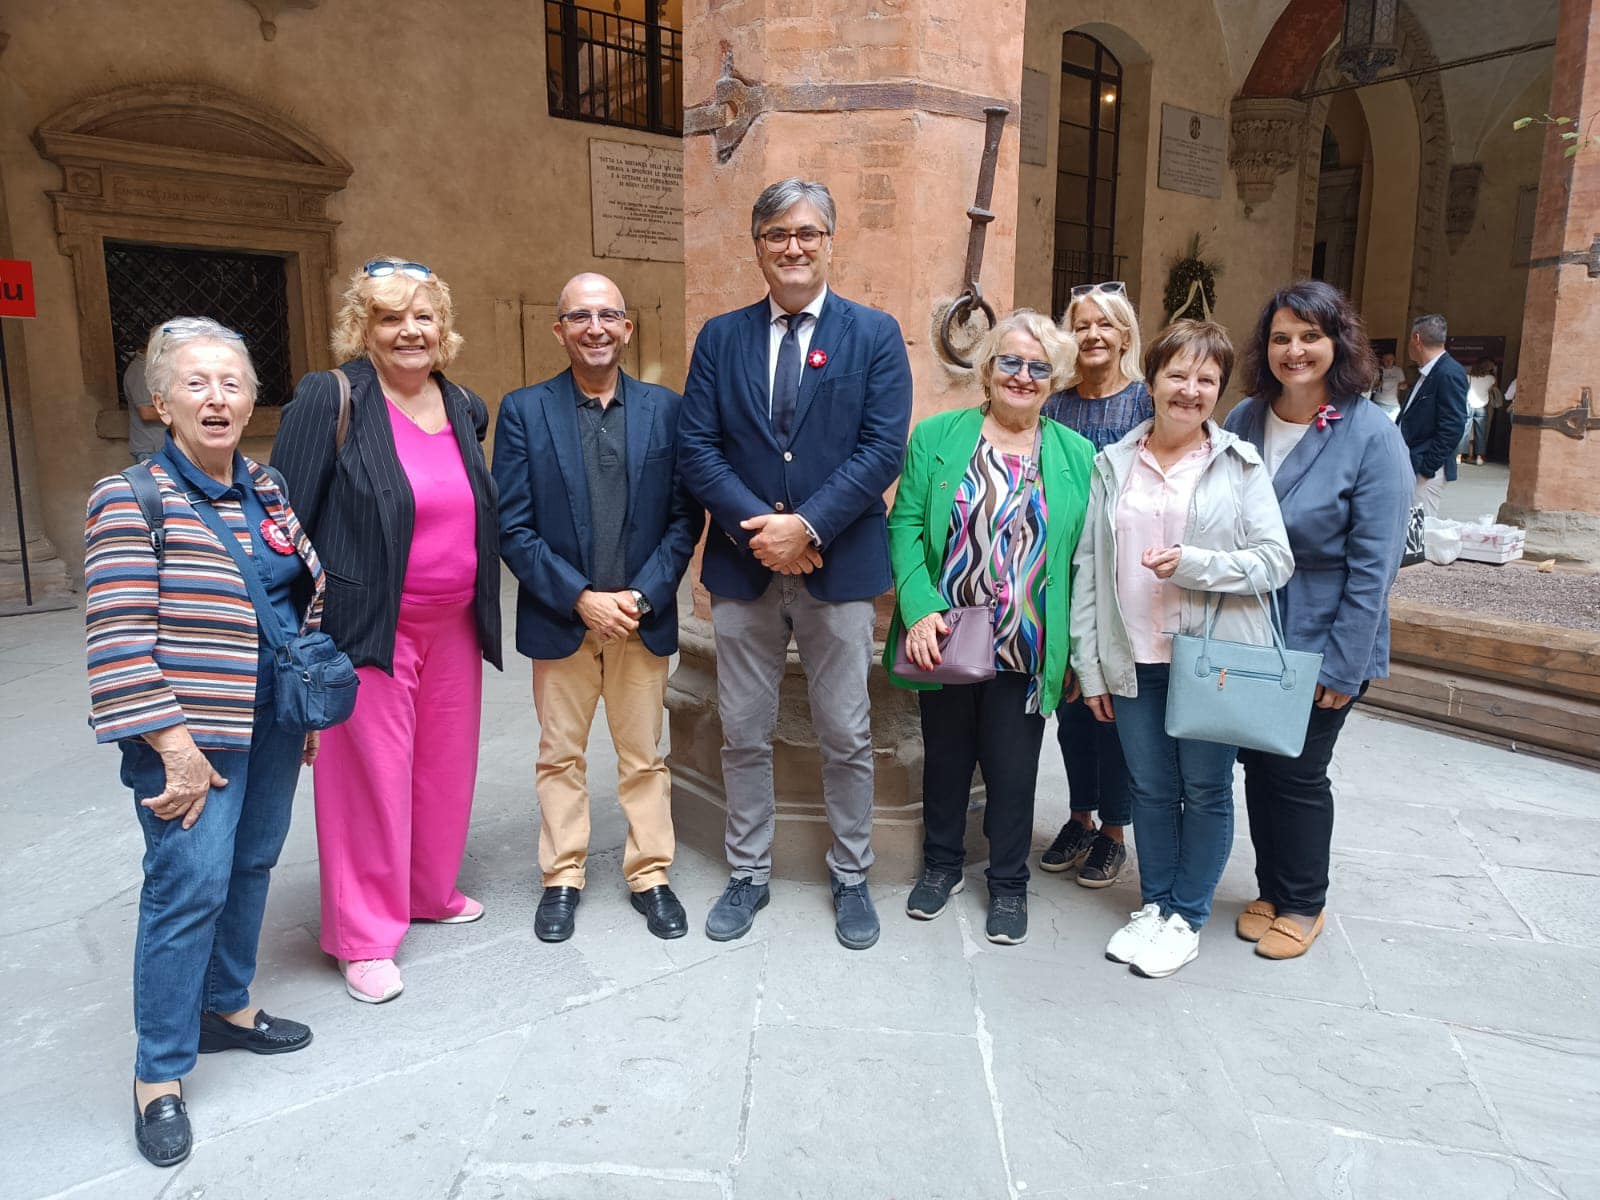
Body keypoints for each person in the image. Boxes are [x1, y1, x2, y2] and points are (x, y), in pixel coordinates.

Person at [85, 318, 324, 1167]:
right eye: (196, 384)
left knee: (254, 862)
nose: (217, 397)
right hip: (188, 735)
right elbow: (116, 640)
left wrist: (300, 698)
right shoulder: (131, 497)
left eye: (232, 383)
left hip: (271, 720)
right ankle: (158, 1075)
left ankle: (225, 1006)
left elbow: (294, 595)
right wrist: (175, 747)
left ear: (254, 400)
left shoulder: (268, 485)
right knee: (186, 887)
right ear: (161, 403)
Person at [678, 177, 913, 950]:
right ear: (758, 244)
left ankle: (851, 876)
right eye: (778, 232)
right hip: (745, 573)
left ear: (830, 241)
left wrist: (808, 525)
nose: (793, 246)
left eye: (808, 232)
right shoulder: (720, 337)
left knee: (846, 731)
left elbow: (882, 447)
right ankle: (748, 872)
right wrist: (763, 534)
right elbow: (697, 449)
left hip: (837, 568)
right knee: (743, 730)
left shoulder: (873, 334)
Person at [272, 257, 502, 1003]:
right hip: (367, 625)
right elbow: (287, 524)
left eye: (423, 316)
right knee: (368, 782)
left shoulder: (465, 405)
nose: (410, 331)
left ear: (444, 327)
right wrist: (291, 641)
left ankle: (428, 891)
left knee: (443, 765)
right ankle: (364, 936)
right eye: (390, 317)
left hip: (455, 622)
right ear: (362, 330)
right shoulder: (330, 397)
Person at [1070, 320, 1293, 979]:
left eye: (1207, 380)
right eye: (1178, 375)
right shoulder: (1111, 464)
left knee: (1205, 788)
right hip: (1132, 656)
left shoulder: (1237, 466)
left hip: (1210, 660)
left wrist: (1195, 565)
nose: (1190, 390)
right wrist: (1089, 668)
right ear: (1152, 379)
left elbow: (1275, 562)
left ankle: (1187, 915)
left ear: (1218, 391)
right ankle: (1156, 904)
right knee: (1151, 788)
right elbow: (1089, 567)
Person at [494, 273, 703, 943]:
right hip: (564, 617)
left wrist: (640, 597)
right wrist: (581, 598)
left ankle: (650, 874)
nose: (595, 327)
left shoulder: (667, 410)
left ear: (627, 328)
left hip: (641, 619)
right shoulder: (526, 410)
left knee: (643, 757)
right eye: (579, 316)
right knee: (560, 755)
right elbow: (513, 526)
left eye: (607, 315)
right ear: (559, 331)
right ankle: (562, 876)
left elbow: (683, 519)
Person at [886, 310, 1094, 944]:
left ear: (1054, 378)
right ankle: (943, 865)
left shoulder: (1076, 454)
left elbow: (1085, 558)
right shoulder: (939, 436)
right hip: (944, 637)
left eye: (1037, 367)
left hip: (1027, 645)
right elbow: (905, 526)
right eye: (1010, 362)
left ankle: (1008, 883)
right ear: (988, 368)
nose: (1022, 376)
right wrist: (920, 609)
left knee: (1013, 769)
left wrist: (1079, 654)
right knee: (945, 759)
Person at [1226, 281, 1413, 959]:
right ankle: (1272, 888)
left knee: (1301, 769)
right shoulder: (1246, 418)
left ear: (1338, 343)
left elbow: (1375, 565)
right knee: (1258, 762)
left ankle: (1304, 901)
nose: (1294, 350)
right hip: (1249, 631)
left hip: (1324, 633)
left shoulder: (1369, 434)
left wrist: (1344, 662)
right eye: (1281, 338)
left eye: (1310, 336)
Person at [1037, 281, 1152, 888]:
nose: (1093, 336)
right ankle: (1079, 817)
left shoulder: (1145, 404)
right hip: (1064, 576)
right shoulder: (1055, 405)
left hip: (1123, 582)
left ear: (1125, 335)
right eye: (1082, 325)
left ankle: (1114, 832)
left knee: (1116, 709)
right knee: (1072, 705)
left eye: (1105, 325)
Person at [1397, 314, 1468, 517]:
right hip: (1414, 462)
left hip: (1426, 469)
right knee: (1409, 527)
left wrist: (1427, 467)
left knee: (1421, 531)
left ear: (1416, 339)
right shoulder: (1428, 372)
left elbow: (1453, 425)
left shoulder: (1449, 373)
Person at [124, 334, 166, 462]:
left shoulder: (153, 370)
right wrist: (180, 415)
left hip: (157, 446)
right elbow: (146, 413)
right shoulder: (140, 371)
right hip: (150, 449)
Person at [1462, 358, 1500, 465]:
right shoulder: (1491, 379)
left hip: (1469, 405)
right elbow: (1495, 388)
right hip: (1482, 407)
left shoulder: (1468, 377)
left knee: (1465, 431)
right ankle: (1479, 457)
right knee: (1481, 433)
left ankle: (1459, 456)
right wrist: (1495, 373)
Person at [1371, 351, 1404, 422]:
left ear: (1394, 359)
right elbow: (1371, 389)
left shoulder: (1398, 370)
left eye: (1391, 359)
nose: (1389, 361)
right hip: (1379, 403)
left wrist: (1403, 386)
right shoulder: (1378, 371)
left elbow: (1403, 385)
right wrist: (1377, 385)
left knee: (1394, 426)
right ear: (1382, 360)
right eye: (1386, 359)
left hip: (1394, 405)